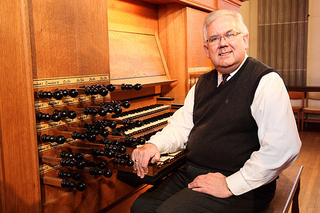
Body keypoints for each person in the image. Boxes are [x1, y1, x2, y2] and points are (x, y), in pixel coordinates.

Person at [130, 9, 301, 213]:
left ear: (245, 40)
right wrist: (154, 144)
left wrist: (231, 184)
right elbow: (182, 127)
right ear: (206, 49)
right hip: (193, 172)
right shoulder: (202, 83)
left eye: (230, 34)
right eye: (214, 38)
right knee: (141, 208)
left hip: (243, 183)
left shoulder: (265, 81)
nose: (223, 43)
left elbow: (283, 147)